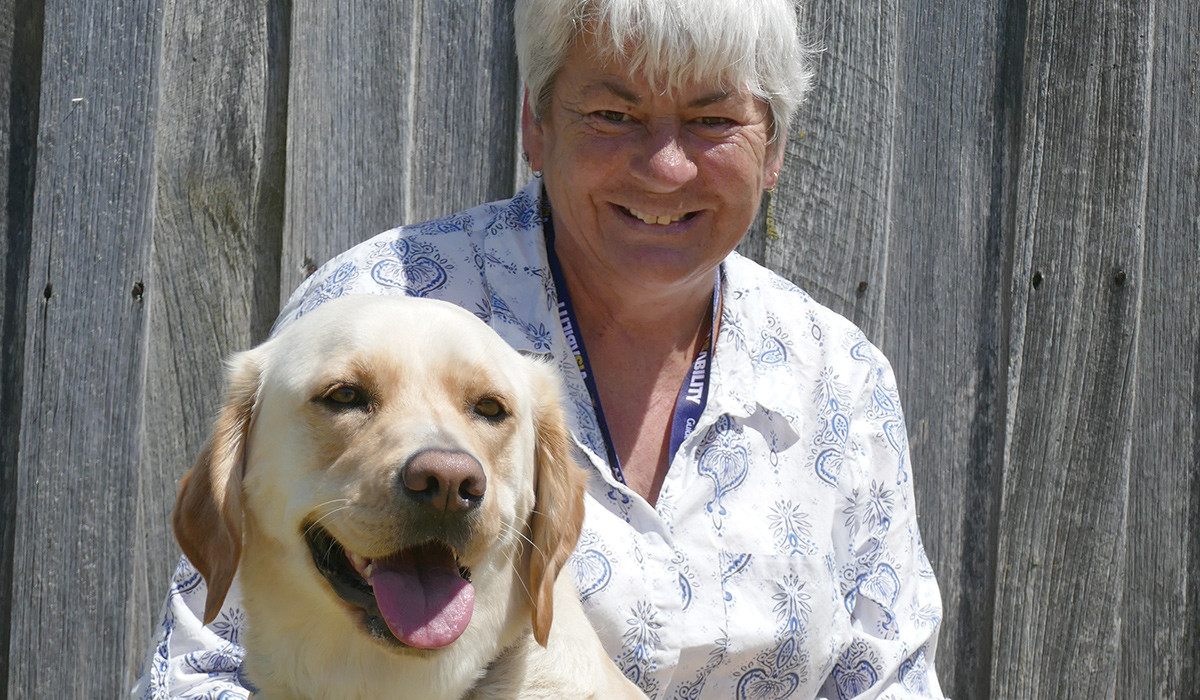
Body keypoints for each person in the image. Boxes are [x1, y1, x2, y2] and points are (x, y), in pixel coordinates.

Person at [133, 0, 947, 697]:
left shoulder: (839, 378)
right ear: (536, 121)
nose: (664, 167)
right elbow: (196, 671)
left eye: (712, 120)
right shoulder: (375, 305)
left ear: (772, 150)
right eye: (613, 114)